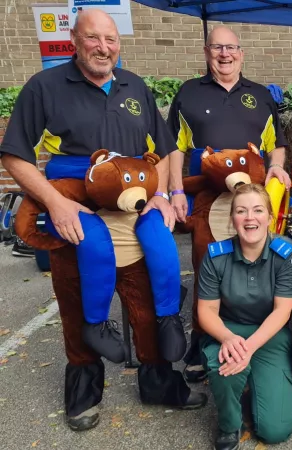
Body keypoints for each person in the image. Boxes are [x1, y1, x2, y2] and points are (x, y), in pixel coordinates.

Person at [0, 9, 206, 431]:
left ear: (119, 43)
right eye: (93, 38)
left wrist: (166, 194)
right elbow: (15, 155)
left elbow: (166, 150)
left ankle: (159, 384)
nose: (103, 47)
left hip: (134, 217)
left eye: (110, 39)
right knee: (77, 311)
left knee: (147, 308)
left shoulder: (135, 86)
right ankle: (82, 396)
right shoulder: (45, 87)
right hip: (77, 218)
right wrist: (55, 202)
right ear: (74, 39)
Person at [166, 25, 291, 383]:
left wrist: (278, 165)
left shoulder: (260, 95)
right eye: (217, 48)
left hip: (251, 199)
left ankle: (257, 337)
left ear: (241, 52)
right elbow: (173, 147)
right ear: (206, 52)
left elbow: (276, 143)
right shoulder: (188, 93)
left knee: (254, 263)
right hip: (207, 195)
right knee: (206, 262)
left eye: (231, 48)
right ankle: (202, 338)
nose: (225, 54)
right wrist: (176, 191)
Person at [197, 183, 292, 450]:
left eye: (257, 210)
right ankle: (229, 424)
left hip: (270, 336)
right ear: (233, 219)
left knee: (275, 431)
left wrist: (249, 349)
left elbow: (282, 311)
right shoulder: (216, 256)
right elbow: (206, 311)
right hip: (228, 330)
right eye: (241, 211)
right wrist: (229, 338)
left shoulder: (286, 253)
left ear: (269, 216)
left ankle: (258, 381)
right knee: (224, 367)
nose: (250, 218)